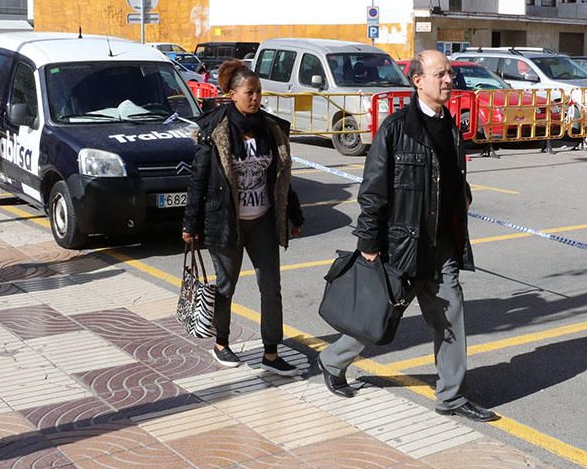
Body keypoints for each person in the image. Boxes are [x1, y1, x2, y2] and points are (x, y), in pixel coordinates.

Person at [319, 50, 496, 422]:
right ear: (418, 81)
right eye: (440, 74)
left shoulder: (449, 124)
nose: (449, 80)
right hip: (404, 246)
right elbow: (373, 190)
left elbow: (448, 177)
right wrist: (368, 242)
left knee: (450, 319)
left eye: (449, 74)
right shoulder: (397, 128)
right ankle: (332, 361)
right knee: (379, 317)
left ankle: (451, 397)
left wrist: (461, 196)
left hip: (443, 246)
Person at [182, 60, 304, 372]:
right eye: (249, 92)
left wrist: (294, 214)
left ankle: (271, 353)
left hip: (262, 220)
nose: (256, 97)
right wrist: (190, 224)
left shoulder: (270, 129)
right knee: (226, 285)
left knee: (271, 286)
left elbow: (280, 178)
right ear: (233, 94)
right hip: (226, 221)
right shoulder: (215, 130)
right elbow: (198, 179)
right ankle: (221, 344)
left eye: (259, 92)